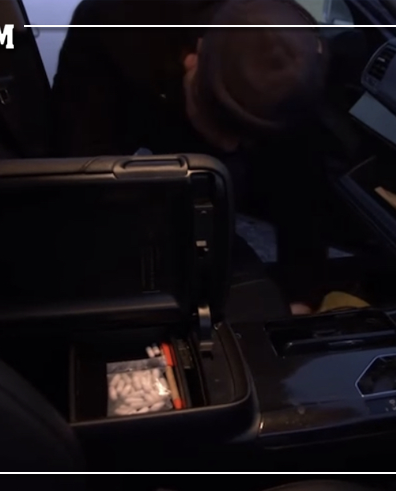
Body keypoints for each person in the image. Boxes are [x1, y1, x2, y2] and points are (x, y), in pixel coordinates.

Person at [52, 0, 330, 314]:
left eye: (242, 136)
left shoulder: (297, 61)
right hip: (137, 84)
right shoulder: (112, 25)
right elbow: (81, 176)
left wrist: (298, 305)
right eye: (219, 127)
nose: (229, 146)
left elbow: (304, 196)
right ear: (192, 60)